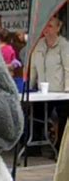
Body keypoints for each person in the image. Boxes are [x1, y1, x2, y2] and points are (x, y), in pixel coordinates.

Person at [30, 15, 69, 149]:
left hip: (60, 91)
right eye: (46, 25)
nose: (47, 29)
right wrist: (29, 87)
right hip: (42, 92)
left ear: (58, 28)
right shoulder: (39, 44)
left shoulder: (64, 45)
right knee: (34, 114)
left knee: (63, 116)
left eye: (50, 26)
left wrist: (67, 89)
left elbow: (67, 68)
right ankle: (33, 147)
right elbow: (33, 67)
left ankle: (60, 149)